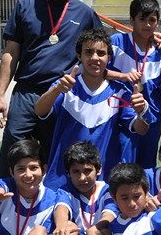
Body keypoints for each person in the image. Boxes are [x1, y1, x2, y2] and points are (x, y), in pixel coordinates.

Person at [0, 0, 103, 178]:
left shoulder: (85, 13)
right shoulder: (25, 5)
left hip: (61, 95)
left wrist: (150, 39)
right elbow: (10, 53)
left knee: (60, 157)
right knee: (13, 154)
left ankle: (56, 209)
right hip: (26, 93)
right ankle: (1, 209)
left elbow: (104, 50)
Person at [34, 28, 153, 189]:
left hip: (102, 183)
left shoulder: (120, 91)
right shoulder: (66, 85)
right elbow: (39, 111)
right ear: (79, 56)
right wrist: (56, 90)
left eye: (101, 53)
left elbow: (141, 129)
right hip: (62, 180)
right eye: (88, 52)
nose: (94, 58)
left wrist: (142, 112)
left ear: (109, 57)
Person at [109, 0, 161, 170]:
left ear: (158, 23)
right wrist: (123, 76)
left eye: (152, 20)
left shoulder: (158, 51)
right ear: (131, 20)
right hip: (121, 115)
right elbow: (99, 71)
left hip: (152, 117)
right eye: (142, 19)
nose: (148, 25)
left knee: (146, 167)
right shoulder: (116, 43)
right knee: (123, 166)